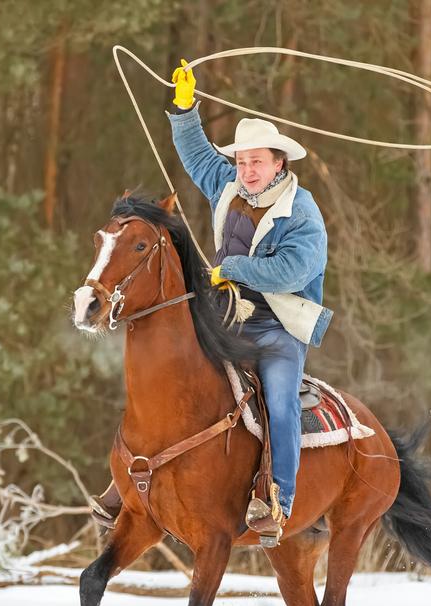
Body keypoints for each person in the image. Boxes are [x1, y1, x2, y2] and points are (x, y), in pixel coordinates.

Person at [166, 59, 331, 544]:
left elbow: (292, 271)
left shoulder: (302, 213)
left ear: (279, 163)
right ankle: (136, 481)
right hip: (227, 318)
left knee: (280, 403)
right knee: (170, 370)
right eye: (241, 162)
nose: (247, 171)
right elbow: (198, 157)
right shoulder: (230, 187)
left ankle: (279, 501)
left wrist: (232, 269)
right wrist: (185, 109)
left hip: (278, 329)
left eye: (256, 162)